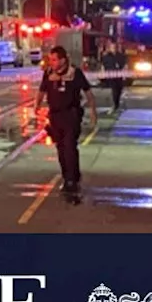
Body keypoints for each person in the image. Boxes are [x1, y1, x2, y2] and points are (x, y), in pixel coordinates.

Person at [34, 45, 98, 201]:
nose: (52, 62)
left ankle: (71, 180)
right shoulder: (49, 73)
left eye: (54, 60)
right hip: (55, 116)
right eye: (51, 59)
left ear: (63, 60)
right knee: (61, 148)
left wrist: (93, 112)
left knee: (69, 146)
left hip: (71, 115)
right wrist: (36, 106)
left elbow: (88, 93)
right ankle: (68, 175)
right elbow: (42, 91)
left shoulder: (75, 74)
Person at [99, 41, 127, 111]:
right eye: (112, 47)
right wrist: (102, 74)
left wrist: (124, 75)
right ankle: (115, 105)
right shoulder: (106, 57)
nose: (114, 49)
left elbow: (124, 66)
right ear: (110, 48)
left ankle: (116, 103)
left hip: (119, 76)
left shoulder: (121, 56)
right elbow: (103, 66)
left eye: (115, 47)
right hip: (111, 77)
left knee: (119, 90)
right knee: (114, 90)